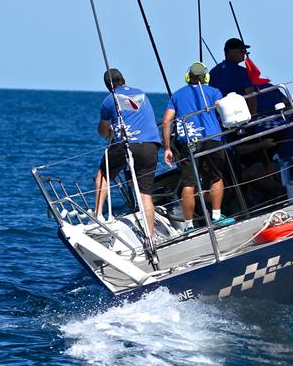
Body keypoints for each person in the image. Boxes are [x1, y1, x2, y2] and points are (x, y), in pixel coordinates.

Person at [162, 62, 234, 232]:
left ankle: (189, 226)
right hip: (212, 139)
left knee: (189, 184)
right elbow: (223, 109)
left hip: (189, 142)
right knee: (215, 178)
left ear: (188, 77)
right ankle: (216, 216)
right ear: (206, 77)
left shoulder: (177, 95)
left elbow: (166, 121)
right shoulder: (214, 91)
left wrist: (167, 147)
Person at [94, 68, 161, 239]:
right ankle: (151, 235)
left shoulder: (110, 99)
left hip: (127, 144)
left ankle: (98, 215)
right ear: (123, 80)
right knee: (145, 193)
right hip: (150, 144)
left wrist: (109, 132)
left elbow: (102, 130)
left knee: (104, 174)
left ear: (108, 86)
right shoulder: (142, 94)